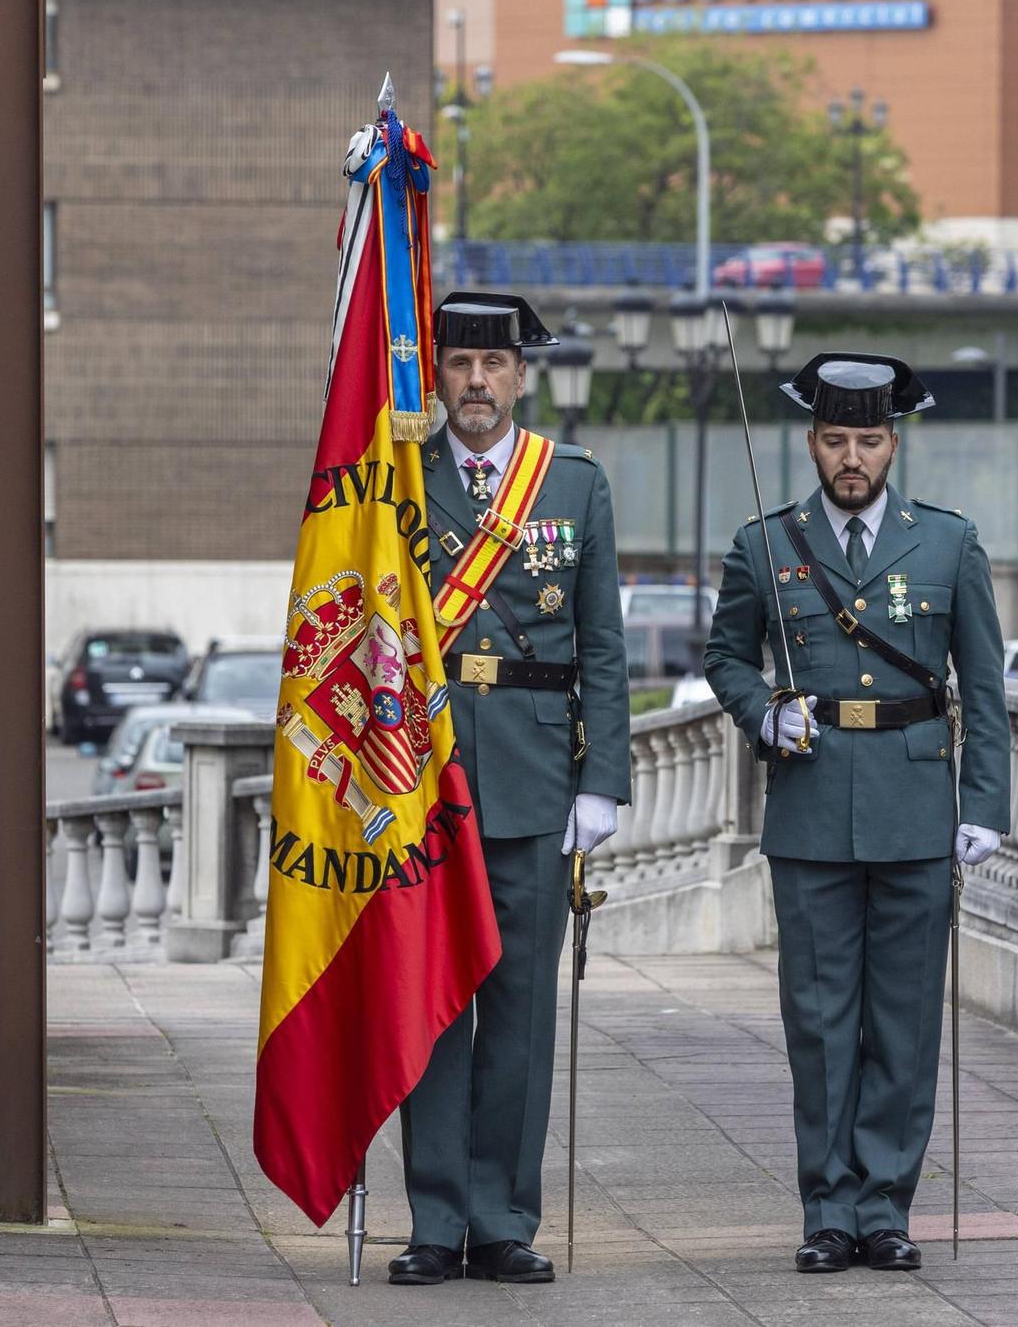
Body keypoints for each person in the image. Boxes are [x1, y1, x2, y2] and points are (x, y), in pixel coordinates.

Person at [703, 352, 1011, 1274]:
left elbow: (984, 686)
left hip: (917, 801)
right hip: (812, 803)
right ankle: (828, 1208)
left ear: (893, 442)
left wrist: (985, 802)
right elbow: (726, 658)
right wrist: (765, 710)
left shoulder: (949, 543)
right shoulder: (765, 543)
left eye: (867, 439)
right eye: (835, 438)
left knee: (906, 1018)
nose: (850, 456)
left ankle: (886, 1205)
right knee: (821, 1017)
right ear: (810, 440)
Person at [387, 292, 632, 1288]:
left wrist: (601, 778)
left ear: (520, 376)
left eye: (493, 367)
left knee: (520, 1011)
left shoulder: (572, 484)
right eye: (458, 366)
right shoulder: (395, 482)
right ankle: (433, 1221)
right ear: (435, 375)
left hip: (535, 779)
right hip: (430, 782)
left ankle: (501, 1219)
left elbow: (604, 647)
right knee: (431, 1010)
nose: (476, 384)